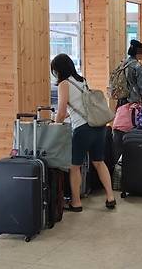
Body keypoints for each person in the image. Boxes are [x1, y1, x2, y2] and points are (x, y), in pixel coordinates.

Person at [52, 54, 116, 212]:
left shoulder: (64, 84)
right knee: (99, 162)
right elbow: (81, 106)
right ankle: (110, 197)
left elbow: (61, 112)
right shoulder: (82, 80)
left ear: (59, 70)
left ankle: (76, 202)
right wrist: (67, 115)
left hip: (83, 129)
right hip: (98, 126)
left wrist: (54, 126)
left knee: (75, 167)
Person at [122, 39, 142, 105]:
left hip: (123, 96)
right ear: (138, 52)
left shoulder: (124, 63)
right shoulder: (137, 66)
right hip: (134, 98)